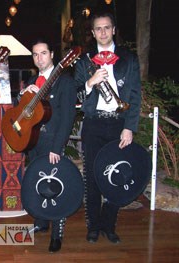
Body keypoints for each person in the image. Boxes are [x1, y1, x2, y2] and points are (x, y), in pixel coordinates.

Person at [74, 12, 141, 244]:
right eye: (98, 29)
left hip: (119, 124)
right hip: (93, 123)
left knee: (118, 175)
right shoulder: (85, 61)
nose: (102, 32)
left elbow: (135, 95)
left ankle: (108, 225)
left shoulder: (129, 59)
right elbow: (76, 95)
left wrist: (130, 127)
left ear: (113, 30)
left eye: (106, 28)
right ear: (92, 33)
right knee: (92, 176)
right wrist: (90, 83)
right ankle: (93, 226)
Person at [18, 38, 77, 253]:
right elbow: (22, 110)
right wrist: (22, 95)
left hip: (52, 142)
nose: (39, 58)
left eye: (43, 53)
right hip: (34, 142)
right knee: (37, 180)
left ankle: (57, 232)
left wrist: (57, 146)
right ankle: (42, 221)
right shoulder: (33, 79)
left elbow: (68, 117)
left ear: (52, 54)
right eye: (35, 54)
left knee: (55, 185)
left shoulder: (65, 81)